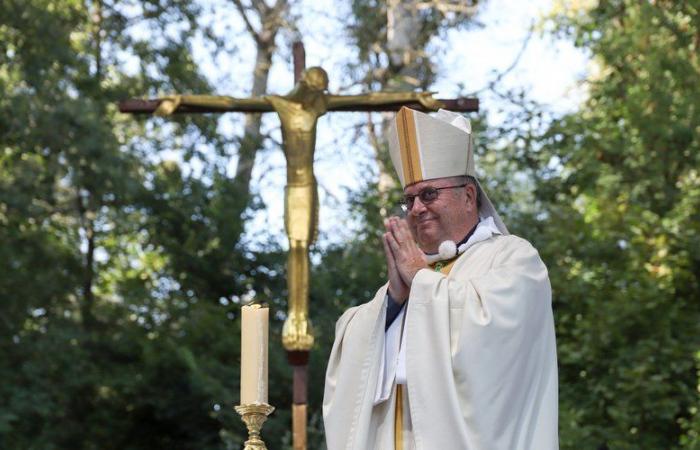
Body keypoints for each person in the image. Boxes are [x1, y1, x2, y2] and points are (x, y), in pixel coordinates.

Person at [323, 107, 558, 450]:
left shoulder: (513, 258)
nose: (416, 208)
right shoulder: (413, 277)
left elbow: (498, 348)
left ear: (468, 196)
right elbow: (352, 355)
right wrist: (394, 300)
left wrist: (420, 282)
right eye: (409, 199)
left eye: (429, 194)